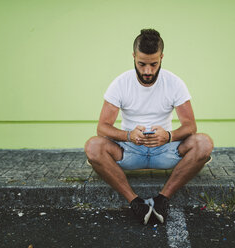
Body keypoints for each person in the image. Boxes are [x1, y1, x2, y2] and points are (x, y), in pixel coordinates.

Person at [84, 29, 214, 225]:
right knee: (93, 146)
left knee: (204, 143)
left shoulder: (174, 83)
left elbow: (190, 126)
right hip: (129, 151)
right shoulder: (120, 83)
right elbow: (102, 128)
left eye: (154, 64)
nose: (147, 71)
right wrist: (128, 136)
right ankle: (136, 202)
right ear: (134, 57)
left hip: (165, 151)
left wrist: (168, 136)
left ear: (161, 57)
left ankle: (162, 199)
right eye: (141, 64)